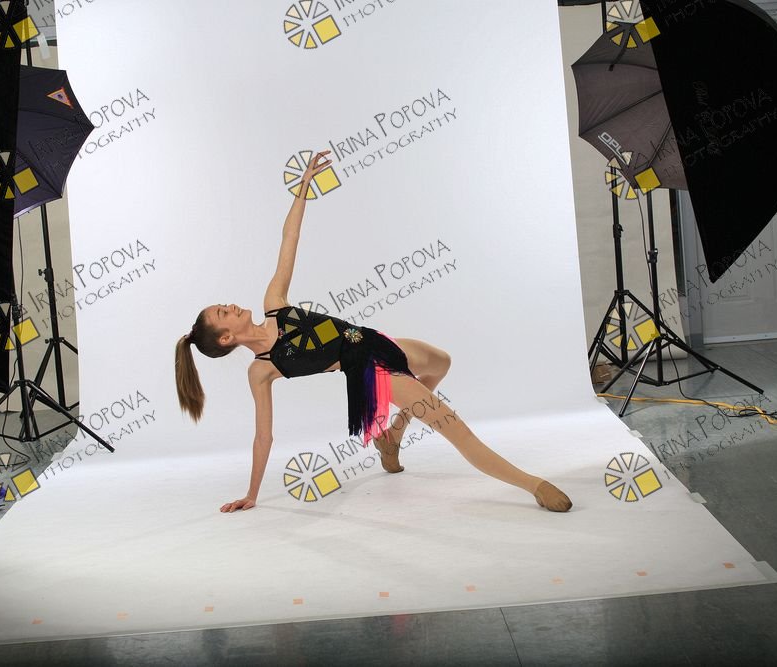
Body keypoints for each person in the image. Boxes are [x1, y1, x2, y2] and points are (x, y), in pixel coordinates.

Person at [175, 151, 573, 514]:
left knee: (441, 363)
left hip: (379, 341)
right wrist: (252, 494)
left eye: (223, 304)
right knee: (456, 430)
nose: (230, 305)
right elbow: (263, 437)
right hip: (371, 371)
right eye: (223, 312)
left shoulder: (274, 304)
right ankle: (533, 485)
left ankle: (393, 435)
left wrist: (303, 189)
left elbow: (289, 239)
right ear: (226, 338)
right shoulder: (262, 369)